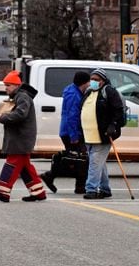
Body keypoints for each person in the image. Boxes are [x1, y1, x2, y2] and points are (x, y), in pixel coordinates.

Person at [0, 70, 47, 203]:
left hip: (21, 139)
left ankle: (3, 192)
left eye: (8, 85)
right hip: (22, 138)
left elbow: (20, 114)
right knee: (25, 167)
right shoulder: (20, 96)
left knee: (11, 164)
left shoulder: (22, 97)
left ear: (15, 85)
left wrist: (3, 117)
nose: (6, 88)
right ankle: (38, 192)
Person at [40, 71, 91, 195]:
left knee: (73, 158)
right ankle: (79, 186)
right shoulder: (74, 95)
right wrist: (74, 136)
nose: (90, 84)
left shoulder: (72, 91)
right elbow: (72, 116)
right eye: (89, 81)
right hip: (71, 132)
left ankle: (52, 176)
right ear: (84, 83)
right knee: (82, 159)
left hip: (68, 131)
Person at [80, 68, 126, 199]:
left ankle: (91, 189)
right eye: (92, 79)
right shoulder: (89, 92)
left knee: (95, 162)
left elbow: (118, 110)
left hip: (103, 135)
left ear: (103, 81)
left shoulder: (109, 92)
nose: (93, 82)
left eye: (97, 80)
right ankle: (105, 189)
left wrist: (113, 125)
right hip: (89, 135)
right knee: (99, 163)